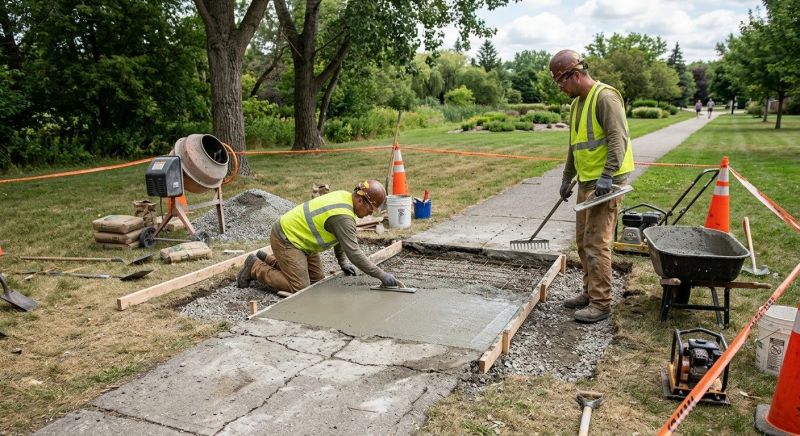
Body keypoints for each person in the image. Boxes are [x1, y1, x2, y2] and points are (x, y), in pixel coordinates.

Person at [549, 49, 634, 323]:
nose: (560, 88)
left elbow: (618, 139)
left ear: (575, 75)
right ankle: (589, 292)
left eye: (561, 81)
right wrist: (567, 177)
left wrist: (608, 176)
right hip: (587, 182)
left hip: (607, 184)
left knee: (597, 244)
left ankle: (601, 303)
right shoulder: (577, 104)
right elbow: (574, 145)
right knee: (583, 241)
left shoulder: (605, 98)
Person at [237, 179, 402, 294]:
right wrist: (381, 275)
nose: (369, 214)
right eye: (370, 210)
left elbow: (340, 237)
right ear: (360, 200)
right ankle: (255, 267)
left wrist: (342, 262)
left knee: (317, 282)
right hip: (287, 238)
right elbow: (355, 253)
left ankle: (266, 259)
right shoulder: (343, 216)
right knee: (300, 288)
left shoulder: (346, 197)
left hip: (303, 241)